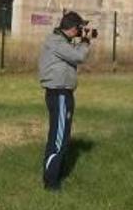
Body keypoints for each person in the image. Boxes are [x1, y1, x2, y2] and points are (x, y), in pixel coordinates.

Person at [39, 10, 95, 190]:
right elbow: (78, 56)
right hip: (60, 94)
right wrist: (86, 41)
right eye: (79, 28)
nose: (81, 31)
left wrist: (81, 41)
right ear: (72, 28)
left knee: (60, 136)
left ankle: (55, 174)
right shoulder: (56, 42)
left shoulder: (61, 41)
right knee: (58, 138)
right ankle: (51, 183)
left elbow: (72, 53)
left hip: (63, 93)